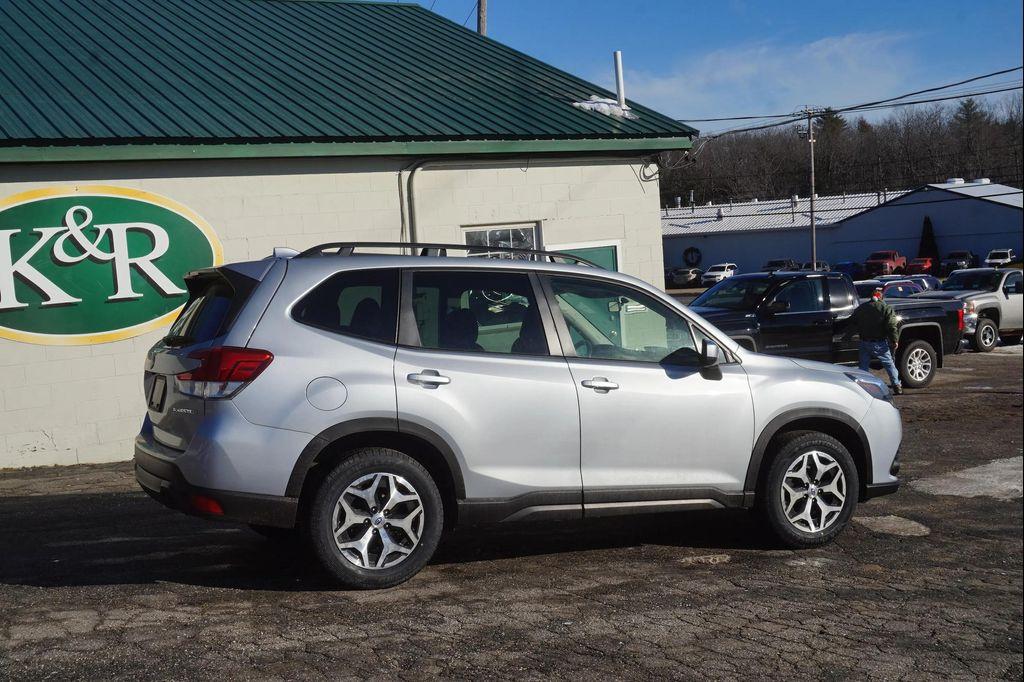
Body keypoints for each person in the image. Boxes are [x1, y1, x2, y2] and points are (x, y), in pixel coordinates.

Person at [848, 288, 903, 395]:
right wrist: (894, 340)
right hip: (879, 343)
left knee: (863, 368)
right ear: (881, 297)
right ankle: (896, 385)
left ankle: (863, 389)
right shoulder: (886, 308)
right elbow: (891, 325)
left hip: (864, 342)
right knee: (889, 365)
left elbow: (852, 321)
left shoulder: (862, 308)